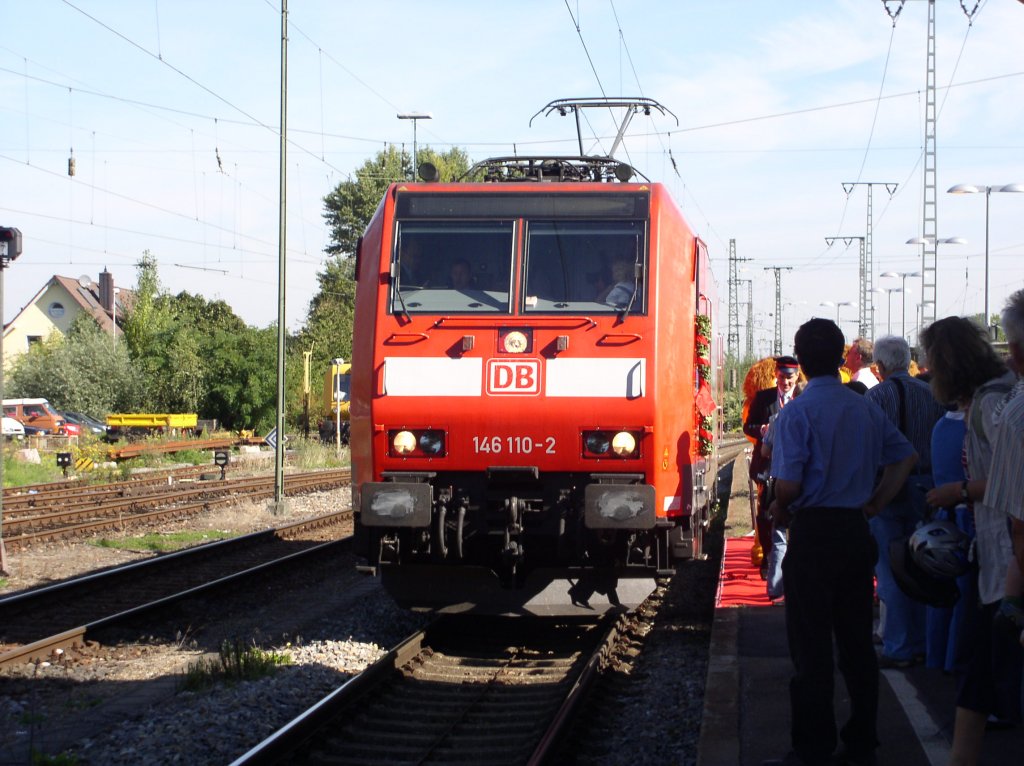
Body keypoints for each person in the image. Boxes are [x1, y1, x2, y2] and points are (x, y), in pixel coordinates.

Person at [762, 318, 916, 766]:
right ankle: (862, 741)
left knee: (810, 649)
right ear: (840, 356)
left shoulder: (796, 414)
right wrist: (873, 504)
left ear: (802, 360)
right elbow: (904, 456)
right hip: (854, 531)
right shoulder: (865, 408)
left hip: (812, 534)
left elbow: (787, 487)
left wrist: (779, 506)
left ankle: (813, 746)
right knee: (856, 645)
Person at [921, 315, 1022, 766]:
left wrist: (958, 491)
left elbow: (1009, 479)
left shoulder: (993, 407)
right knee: (976, 667)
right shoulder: (996, 396)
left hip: (1008, 559)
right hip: (998, 553)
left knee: (980, 665)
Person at [864, 335, 946, 668]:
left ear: (879, 367)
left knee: (890, 567)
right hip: (928, 487)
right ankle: (926, 641)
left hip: (887, 488)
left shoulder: (873, 398)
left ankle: (899, 646)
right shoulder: (932, 395)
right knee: (924, 564)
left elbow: (867, 448)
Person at [743, 355, 800, 579]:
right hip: (767, 465)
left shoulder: (802, 397)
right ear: (775, 375)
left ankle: (793, 560)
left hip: (795, 466)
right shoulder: (764, 398)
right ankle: (767, 558)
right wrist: (763, 430)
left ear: (797, 377)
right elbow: (748, 426)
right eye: (780, 377)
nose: (784, 382)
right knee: (766, 513)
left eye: (789, 377)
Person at [760, 380, 805, 602]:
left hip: (781, 482)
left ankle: (776, 588)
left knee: (779, 538)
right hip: (811, 489)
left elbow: (765, 451)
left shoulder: (778, 419)